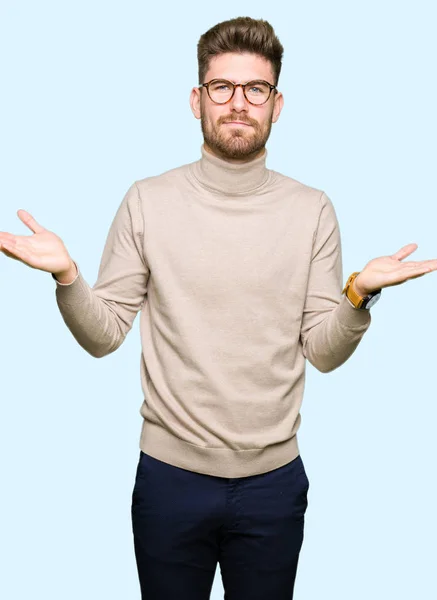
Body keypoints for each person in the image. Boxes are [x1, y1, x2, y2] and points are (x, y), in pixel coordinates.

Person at [1, 15, 436, 600]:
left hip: (274, 484)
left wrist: (359, 295)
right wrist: (67, 275)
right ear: (196, 99)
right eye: (222, 87)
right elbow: (104, 334)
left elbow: (323, 353)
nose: (238, 104)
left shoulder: (312, 210)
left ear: (277, 104)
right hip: (169, 481)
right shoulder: (147, 201)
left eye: (255, 89)